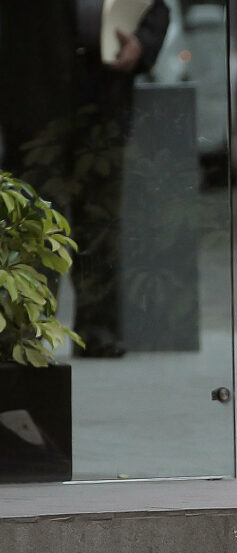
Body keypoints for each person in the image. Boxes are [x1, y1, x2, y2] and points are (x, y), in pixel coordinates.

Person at [0, 0, 169, 358]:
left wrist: (141, 44)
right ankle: (24, 328)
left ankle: (99, 326)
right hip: (33, 89)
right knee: (34, 213)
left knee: (101, 213)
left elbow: (154, 8)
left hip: (103, 89)